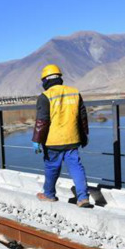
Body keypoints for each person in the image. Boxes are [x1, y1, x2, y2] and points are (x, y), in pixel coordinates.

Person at [32, 64, 91, 207]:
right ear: (60, 78)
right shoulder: (75, 93)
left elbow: (42, 121)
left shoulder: (45, 96)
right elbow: (82, 117)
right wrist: (84, 136)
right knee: (76, 167)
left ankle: (49, 195)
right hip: (73, 138)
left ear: (45, 80)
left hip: (53, 141)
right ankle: (83, 198)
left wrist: (37, 140)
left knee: (52, 167)